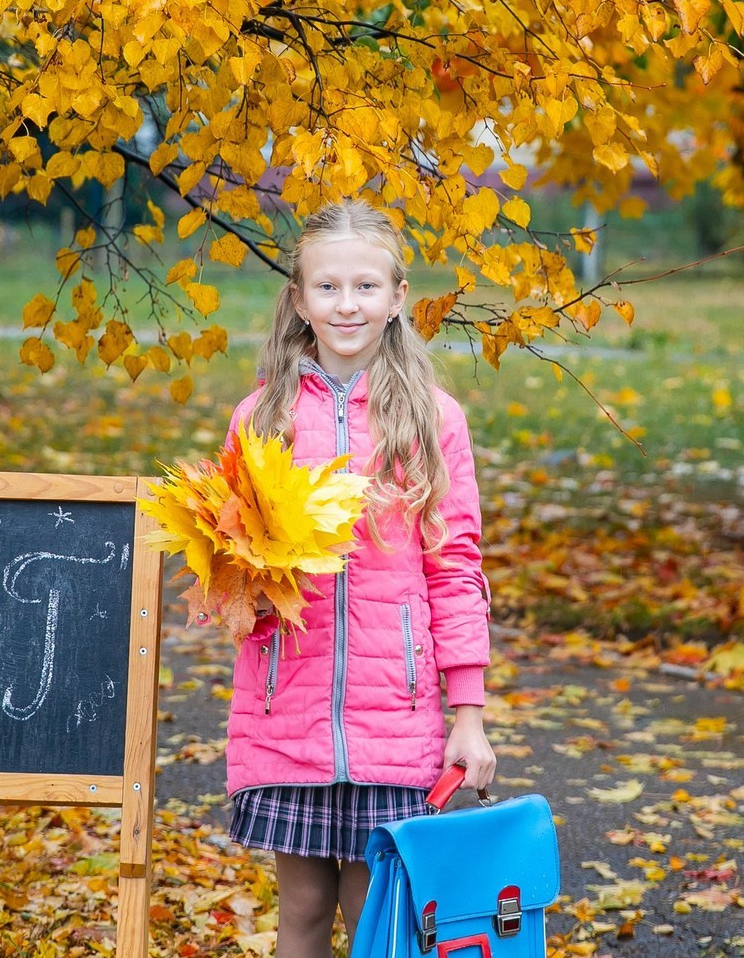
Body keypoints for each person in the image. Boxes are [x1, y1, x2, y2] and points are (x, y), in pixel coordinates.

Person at [223, 198, 497, 958]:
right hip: (288, 711)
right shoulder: (261, 417)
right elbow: (234, 565)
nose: (347, 304)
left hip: (397, 719)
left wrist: (465, 712)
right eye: (328, 287)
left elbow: (456, 567)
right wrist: (243, 581)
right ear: (300, 300)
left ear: (399, 296)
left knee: (377, 917)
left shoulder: (431, 420)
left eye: (366, 287)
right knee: (304, 910)